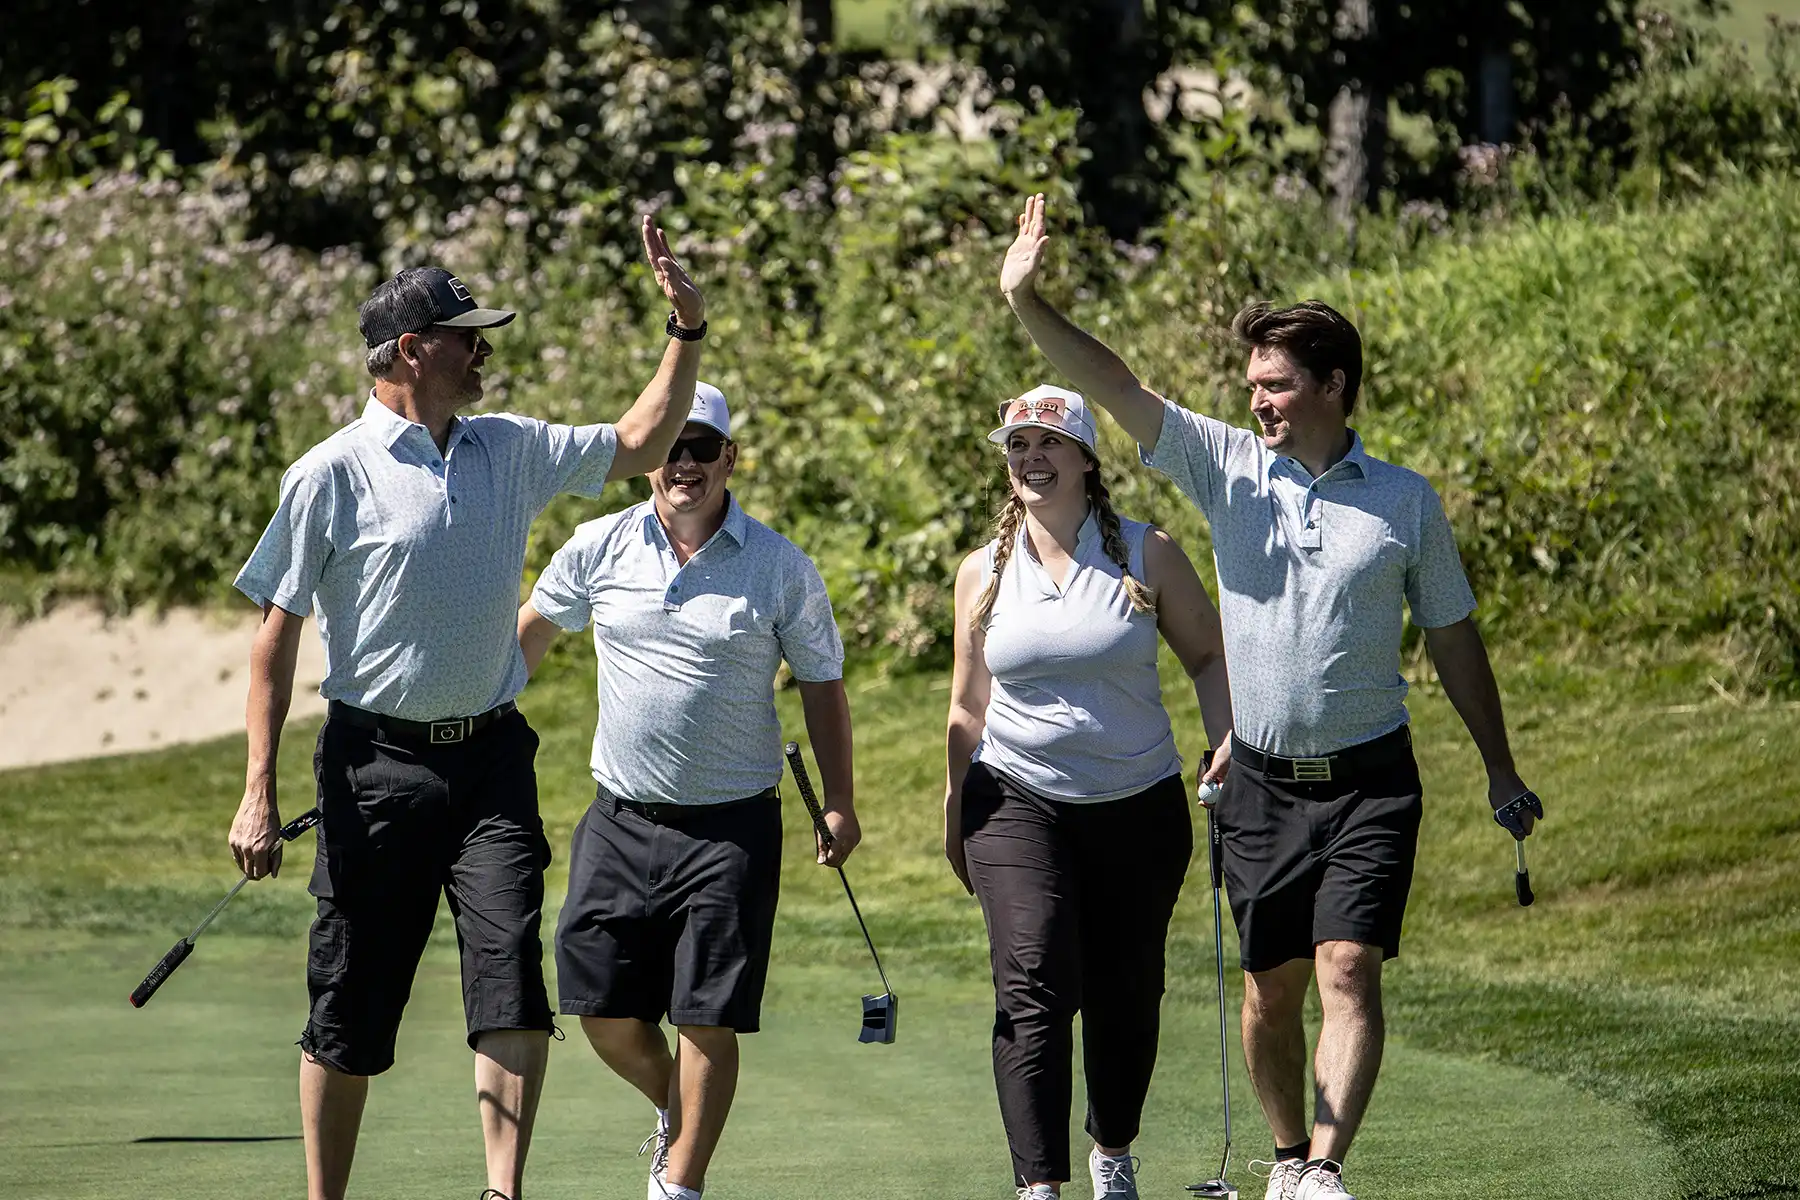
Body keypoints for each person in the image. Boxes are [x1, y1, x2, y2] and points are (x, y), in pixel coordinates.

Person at [998, 194, 1544, 1200]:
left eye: (1281, 385)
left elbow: (1456, 636)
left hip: (1371, 777)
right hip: (1259, 782)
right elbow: (1110, 384)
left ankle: (1324, 1170)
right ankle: (1288, 1157)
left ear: (1336, 386)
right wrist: (1027, 299)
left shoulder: (1403, 501)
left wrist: (1498, 763)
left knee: (1347, 967)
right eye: (1253, 385)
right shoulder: (1225, 468)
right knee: (1270, 991)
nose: (1261, 402)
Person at [226, 216, 708, 1200]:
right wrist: (254, 794)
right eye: (466, 336)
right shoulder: (330, 474)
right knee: (352, 997)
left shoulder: (510, 448)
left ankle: (502, 1193)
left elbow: (638, 441)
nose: (484, 350)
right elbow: (273, 639)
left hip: (491, 759)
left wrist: (685, 331)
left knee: (508, 974)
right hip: (372, 765)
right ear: (411, 351)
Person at [516, 381, 860, 1200]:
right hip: (620, 816)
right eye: (669, 445)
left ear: (730, 459)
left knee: (707, 1012)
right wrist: (455, 707)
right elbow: (528, 638)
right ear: (644, 459)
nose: (684, 462)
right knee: (595, 1000)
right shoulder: (599, 545)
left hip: (732, 827)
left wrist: (840, 800)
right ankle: (681, 1107)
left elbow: (823, 685)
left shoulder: (779, 565)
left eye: (702, 447)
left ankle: (680, 1183)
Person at [944, 383, 1235, 1200]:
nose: (1031, 458)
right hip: (1015, 801)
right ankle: (1040, 1186)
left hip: (1138, 805)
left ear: (1084, 458)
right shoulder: (982, 572)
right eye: (1017, 447)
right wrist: (953, 816)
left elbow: (1210, 660)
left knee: (1127, 990)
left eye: (1048, 444)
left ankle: (1113, 1152)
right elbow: (967, 708)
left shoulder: (1146, 553)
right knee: (1033, 983)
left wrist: (1225, 744)